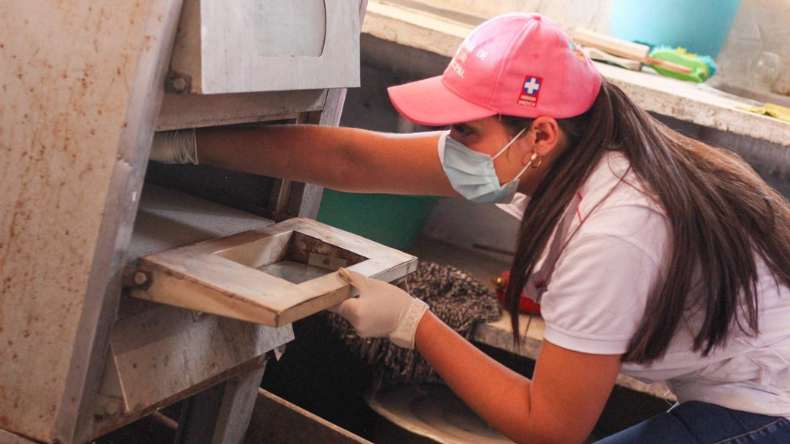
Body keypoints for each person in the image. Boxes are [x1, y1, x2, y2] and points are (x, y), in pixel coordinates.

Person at [152, 13, 790, 444]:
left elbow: (553, 426)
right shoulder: (567, 152)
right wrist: (178, 142)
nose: (449, 144)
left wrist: (414, 323)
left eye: (466, 129)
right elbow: (353, 159)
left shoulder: (612, 230)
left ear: (539, 132)